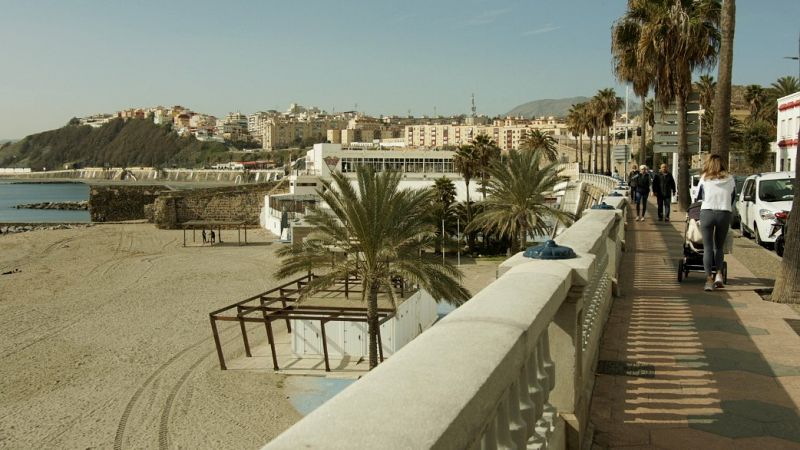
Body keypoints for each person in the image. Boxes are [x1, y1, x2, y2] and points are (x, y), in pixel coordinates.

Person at [696, 154, 736, 291]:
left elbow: (698, 196)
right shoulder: (730, 179)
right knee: (719, 247)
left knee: (707, 247)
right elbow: (732, 197)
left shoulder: (704, 178)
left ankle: (708, 280)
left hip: (707, 212)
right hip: (724, 213)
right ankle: (719, 274)